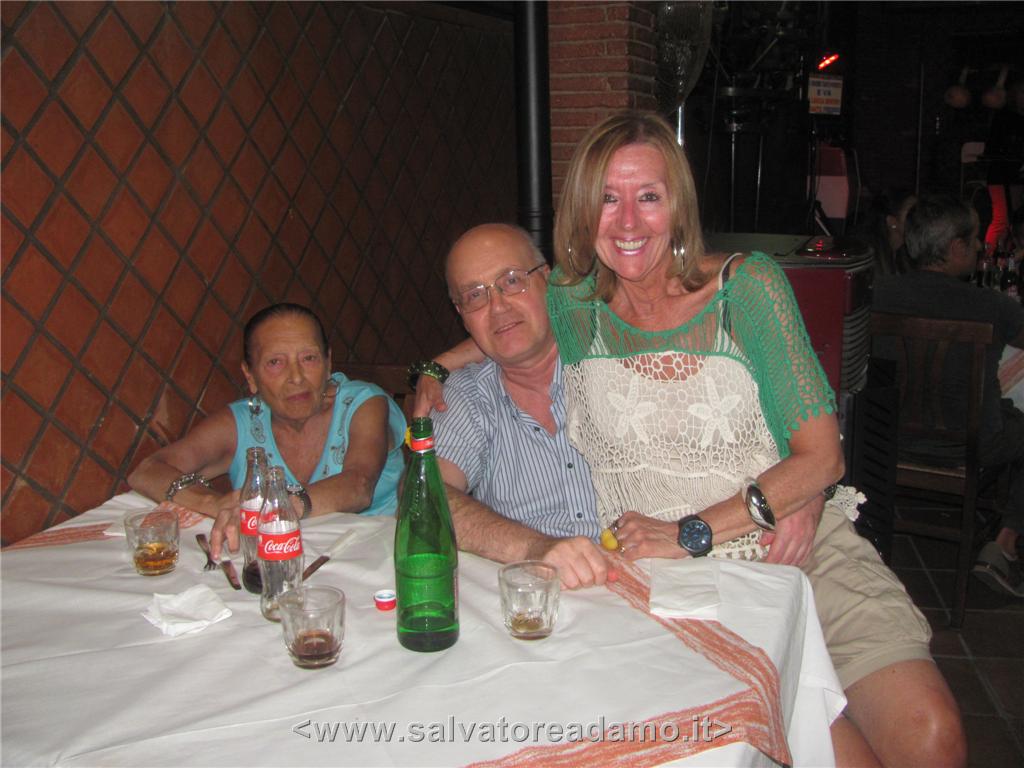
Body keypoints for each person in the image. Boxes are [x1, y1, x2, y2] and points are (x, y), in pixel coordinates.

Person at [421, 113, 966, 767]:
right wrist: (433, 368)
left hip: (790, 544)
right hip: (672, 579)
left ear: (677, 204)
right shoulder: (575, 304)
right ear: (583, 213)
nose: (627, 221)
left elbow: (824, 456)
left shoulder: (745, 290)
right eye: (608, 199)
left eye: (648, 196)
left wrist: (732, 517)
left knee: (929, 734)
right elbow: (505, 325)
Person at [128, 303, 406, 558]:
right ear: (250, 376)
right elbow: (147, 471)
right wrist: (216, 503)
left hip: (375, 561)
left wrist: (278, 508)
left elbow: (358, 485)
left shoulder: (364, 404)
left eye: (309, 358)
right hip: (276, 564)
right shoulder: (241, 422)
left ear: (328, 363)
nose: (296, 377)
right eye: (275, 362)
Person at [874, 193, 1024, 597]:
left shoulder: (875, 293)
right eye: (974, 240)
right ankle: (1006, 541)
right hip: (972, 445)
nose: (979, 248)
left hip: (885, 440)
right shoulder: (993, 306)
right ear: (956, 247)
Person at [858, 187, 917, 277]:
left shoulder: (905, 256)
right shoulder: (868, 259)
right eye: (911, 212)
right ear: (892, 222)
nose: (918, 217)